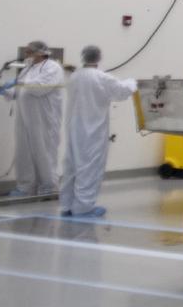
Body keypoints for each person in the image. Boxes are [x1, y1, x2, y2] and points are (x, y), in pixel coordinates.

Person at [59, 46, 137, 218]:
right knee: (90, 167)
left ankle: (67, 205)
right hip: (93, 130)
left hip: (74, 128)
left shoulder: (75, 77)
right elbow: (121, 92)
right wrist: (132, 82)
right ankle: (83, 207)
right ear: (99, 58)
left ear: (83, 57)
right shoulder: (101, 77)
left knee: (71, 167)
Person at [0, 40, 64, 196]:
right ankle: (26, 187)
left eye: (29, 51)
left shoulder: (53, 67)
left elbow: (39, 88)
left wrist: (18, 81)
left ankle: (49, 187)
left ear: (40, 52)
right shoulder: (28, 68)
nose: (26, 54)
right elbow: (20, 92)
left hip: (44, 118)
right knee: (23, 151)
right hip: (25, 118)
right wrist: (5, 91)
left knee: (44, 151)